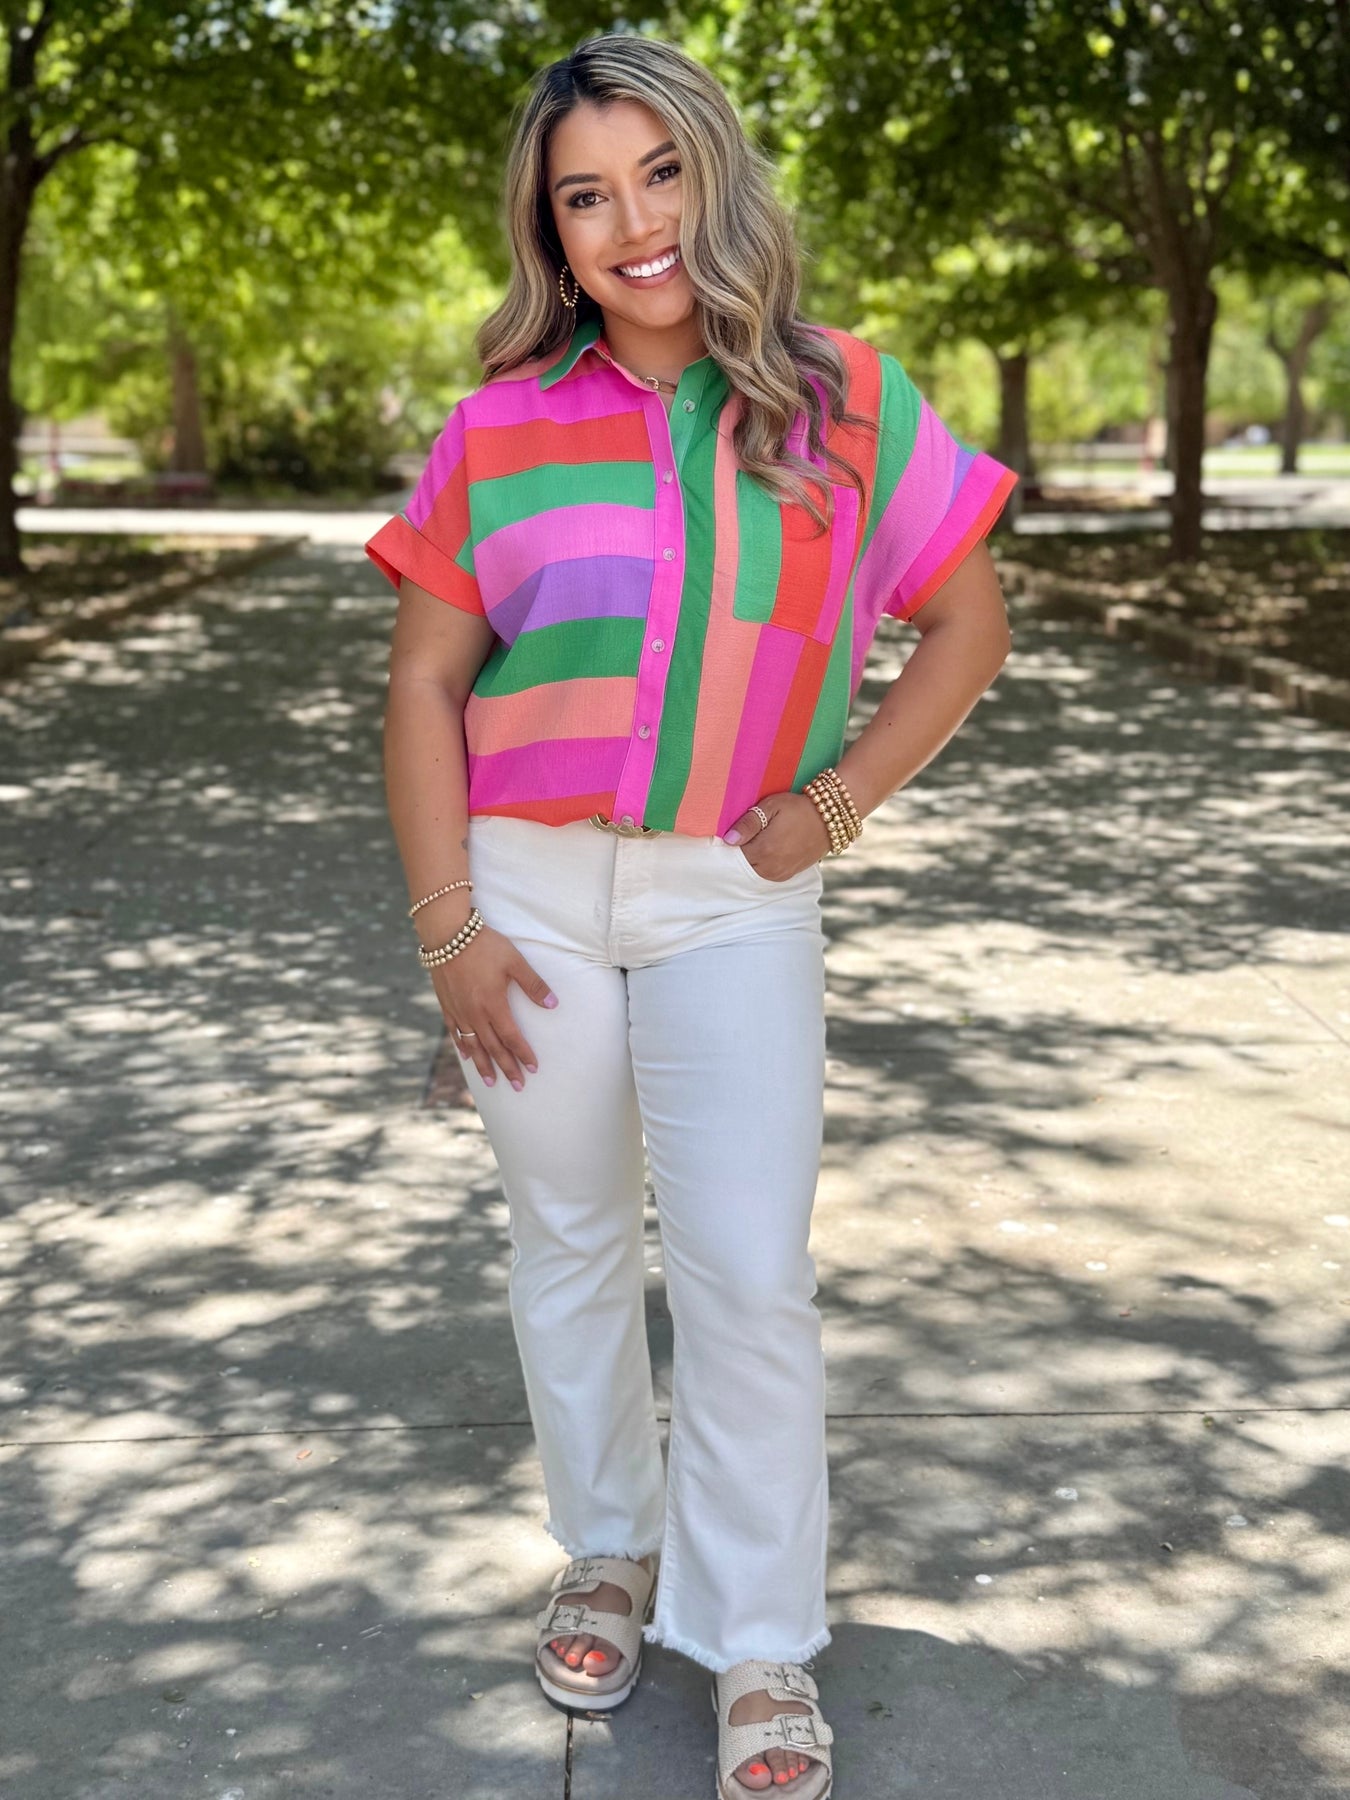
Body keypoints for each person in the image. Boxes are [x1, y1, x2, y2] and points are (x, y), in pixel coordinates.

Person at [366, 32, 1016, 1799]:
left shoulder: (846, 400)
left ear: (714, 174)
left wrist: (835, 805)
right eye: (586, 196)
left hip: (733, 891)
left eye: (657, 172)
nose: (633, 221)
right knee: (569, 1240)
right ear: (551, 236)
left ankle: (758, 1635)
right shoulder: (500, 430)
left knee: (744, 1272)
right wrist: (449, 932)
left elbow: (967, 623)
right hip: (524, 891)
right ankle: (607, 1545)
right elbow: (423, 687)